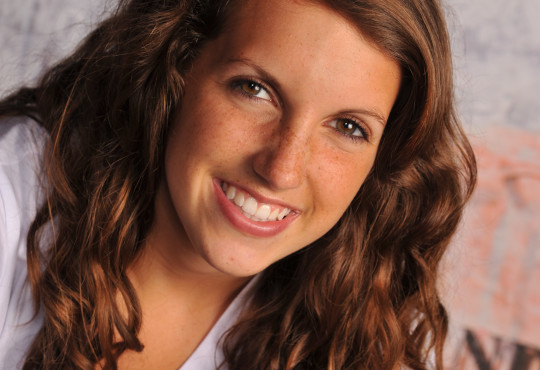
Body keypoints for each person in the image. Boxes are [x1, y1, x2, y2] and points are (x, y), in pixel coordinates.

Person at [0, 0, 476, 368]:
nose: (282, 169)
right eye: (255, 89)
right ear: (174, 67)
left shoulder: (353, 325)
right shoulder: (12, 196)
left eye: (348, 127)